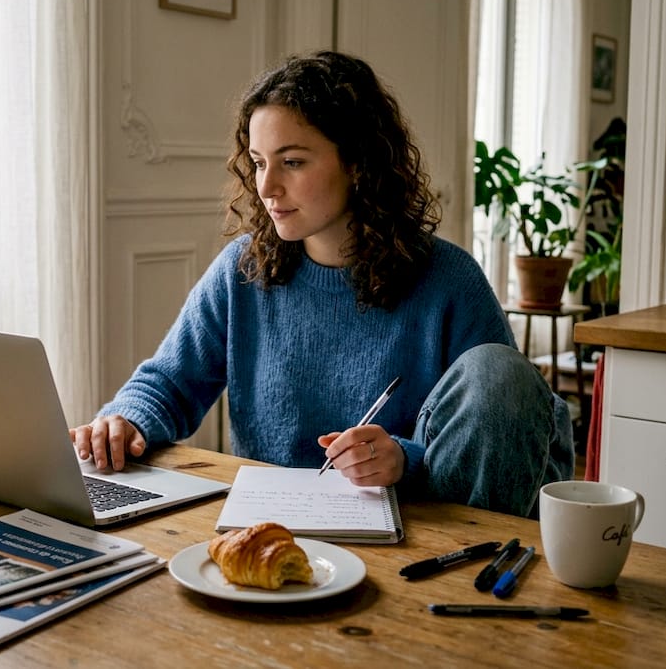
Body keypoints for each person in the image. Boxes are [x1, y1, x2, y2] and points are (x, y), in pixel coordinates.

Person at [69, 51, 572, 518]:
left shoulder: (450, 281)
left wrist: (404, 459)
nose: (266, 188)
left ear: (357, 162)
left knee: (499, 370)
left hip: (426, 531)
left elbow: (508, 430)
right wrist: (125, 421)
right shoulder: (241, 270)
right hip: (274, 524)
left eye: (292, 162)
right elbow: (169, 382)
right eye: (260, 162)